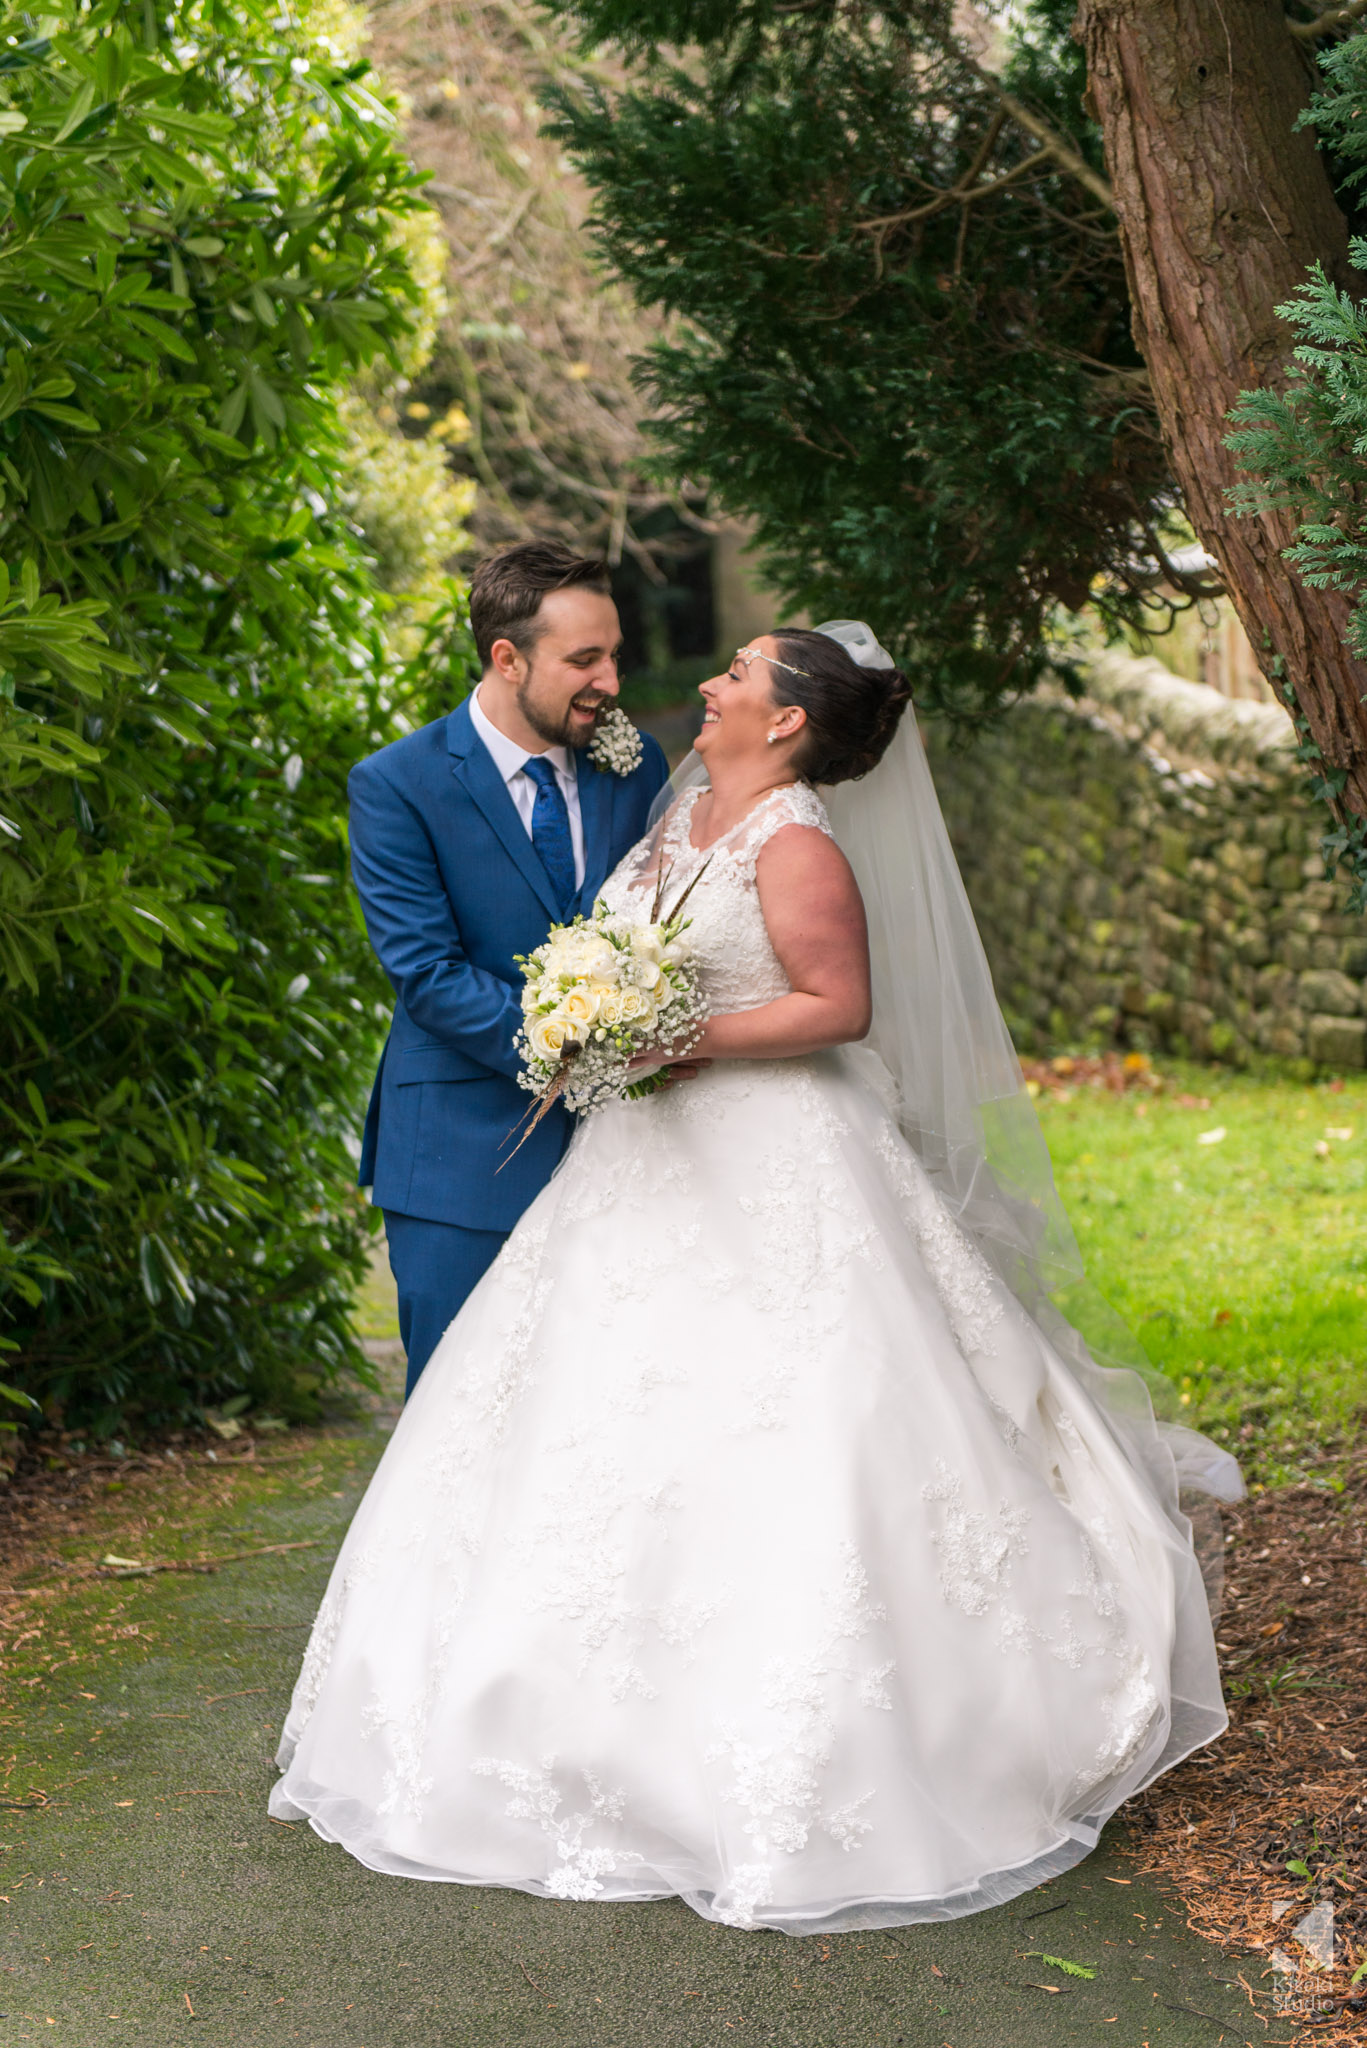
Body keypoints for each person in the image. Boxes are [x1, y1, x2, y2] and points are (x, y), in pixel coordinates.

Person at [272, 620, 1241, 1933]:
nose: (711, 682)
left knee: (803, 1424)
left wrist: (679, 1033)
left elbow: (833, 1005)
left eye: (736, 672)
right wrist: (595, 1015)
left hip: (777, 1168)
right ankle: (549, 1726)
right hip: (635, 1175)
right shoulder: (676, 819)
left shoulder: (793, 839)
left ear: (784, 720)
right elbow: (621, 951)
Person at [348, 541, 669, 1396]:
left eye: (614, 655)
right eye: (584, 659)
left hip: (628, 1150)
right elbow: (425, 972)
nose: (610, 681)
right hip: (460, 1150)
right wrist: (579, 1048)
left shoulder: (634, 766)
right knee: (458, 1406)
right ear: (506, 657)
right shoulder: (396, 784)